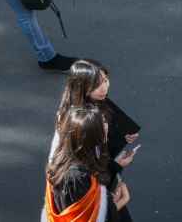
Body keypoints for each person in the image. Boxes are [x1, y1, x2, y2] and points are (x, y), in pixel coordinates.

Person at [50, 60, 140, 221]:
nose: (104, 88)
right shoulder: (76, 178)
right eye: (97, 84)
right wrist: (119, 204)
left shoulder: (87, 118)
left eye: (105, 80)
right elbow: (87, 216)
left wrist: (115, 164)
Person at [43, 106, 131, 222]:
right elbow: (90, 218)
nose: (106, 127)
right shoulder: (78, 177)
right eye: (101, 125)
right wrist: (121, 201)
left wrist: (116, 167)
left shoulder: (64, 165)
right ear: (90, 136)